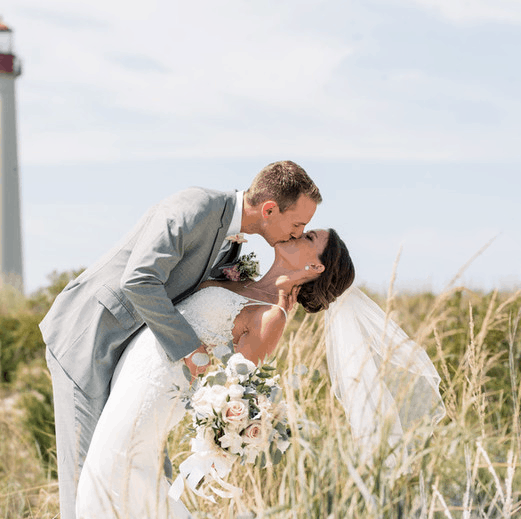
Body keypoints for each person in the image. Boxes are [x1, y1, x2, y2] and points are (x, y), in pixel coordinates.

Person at [40, 160, 322, 519]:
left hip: (138, 361)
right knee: (88, 475)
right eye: (298, 224)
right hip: (91, 336)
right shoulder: (194, 208)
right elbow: (139, 281)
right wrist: (190, 348)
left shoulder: (234, 242)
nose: (298, 233)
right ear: (269, 210)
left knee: (136, 473)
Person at [75, 229, 355, 518]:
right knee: (109, 469)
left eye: (309, 238)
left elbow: (238, 388)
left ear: (315, 267)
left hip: (159, 388)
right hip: (136, 365)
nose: (297, 233)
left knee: (113, 470)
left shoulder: (272, 315)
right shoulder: (241, 279)